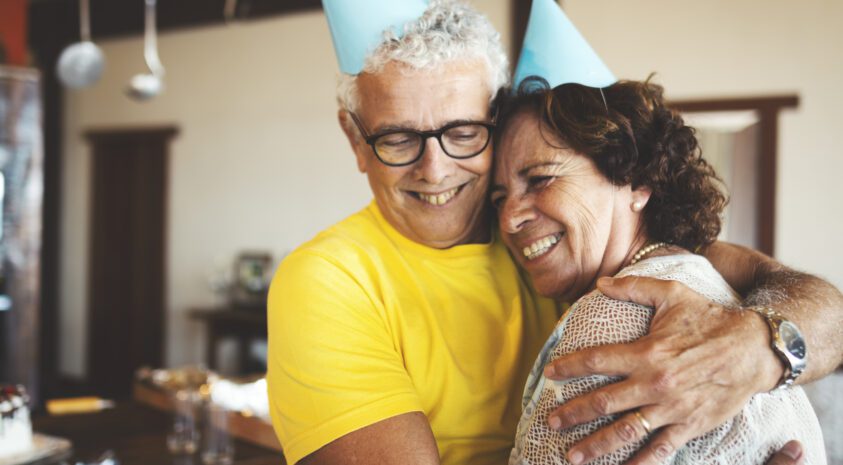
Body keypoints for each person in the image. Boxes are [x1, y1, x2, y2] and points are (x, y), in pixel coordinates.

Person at [266, 1, 843, 464]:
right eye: (397, 138)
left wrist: (759, 350)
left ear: (493, 125)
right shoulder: (328, 281)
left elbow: (819, 305)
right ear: (353, 138)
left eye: (462, 132)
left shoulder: (573, 248)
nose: (434, 168)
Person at [492, 77, 826, 465]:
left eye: (540, 179)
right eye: (498, 200)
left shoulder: (610, 319)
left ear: (637, 182)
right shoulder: (712, 286)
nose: (509, 219)